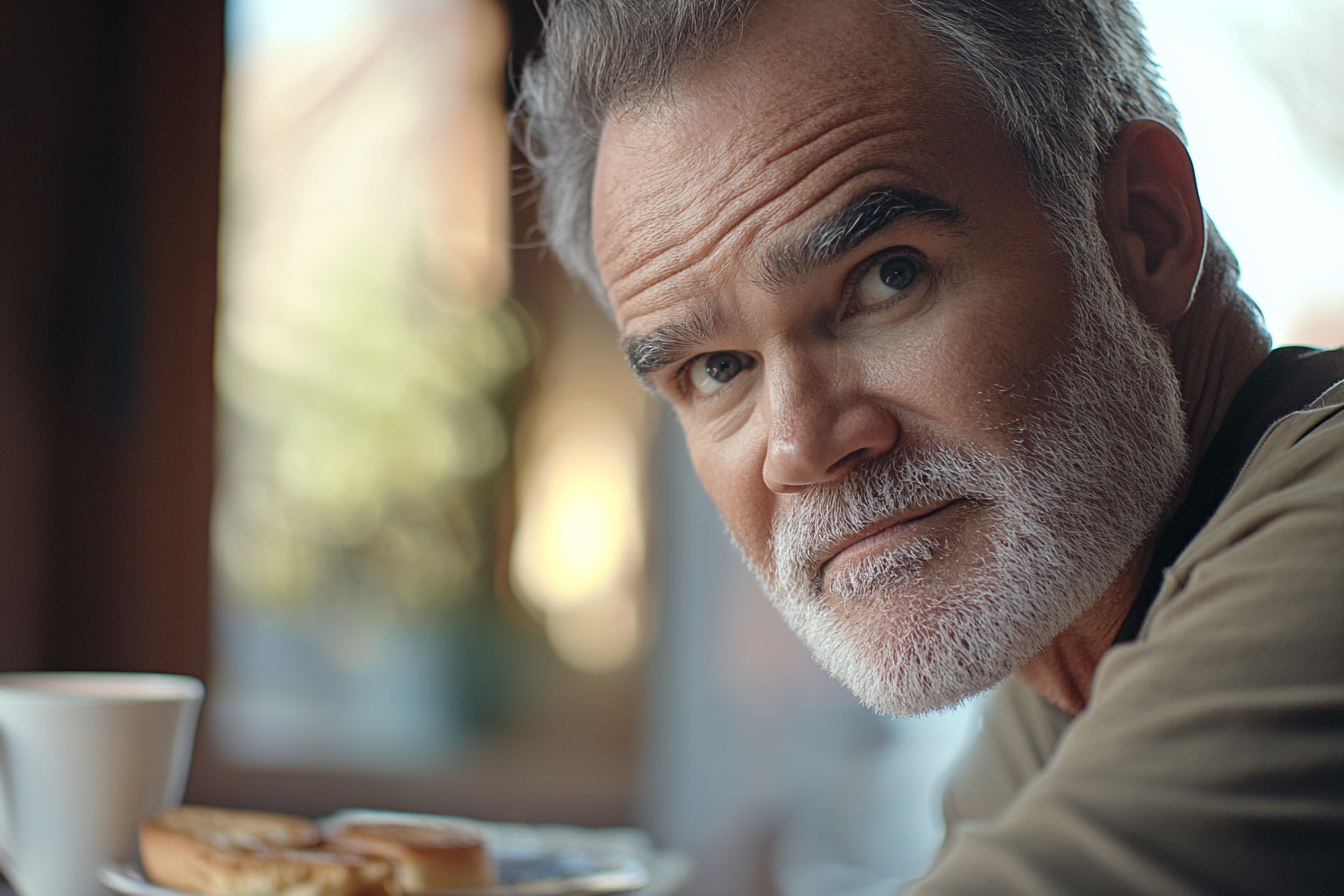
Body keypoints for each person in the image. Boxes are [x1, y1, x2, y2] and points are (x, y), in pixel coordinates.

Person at [512, 0, 1344, 891]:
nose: (799, 447)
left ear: (1148, 226)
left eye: (885, 277)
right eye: (718, 370)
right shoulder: (1080, 641)